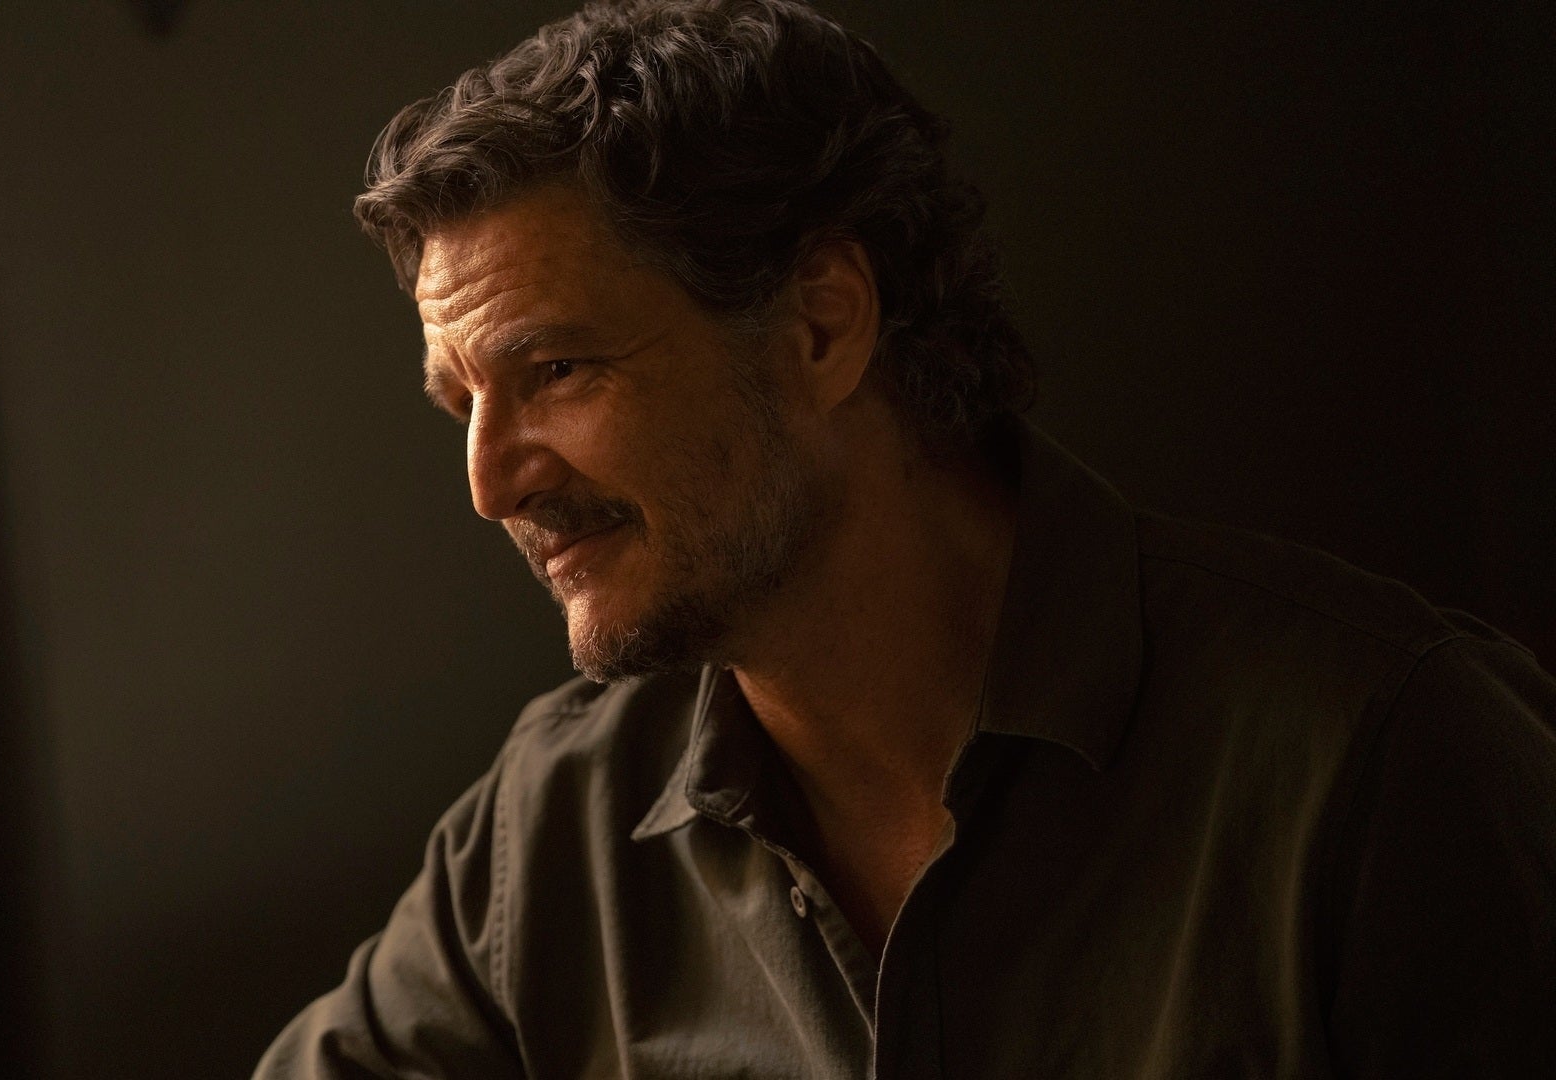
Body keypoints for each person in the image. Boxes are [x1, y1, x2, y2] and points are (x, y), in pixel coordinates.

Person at [256, 1, 1556, 1076]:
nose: (490, 484)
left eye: (556, 370)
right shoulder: (552, 829)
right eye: (462, 404)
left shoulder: (1383, 761)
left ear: (822, 326)